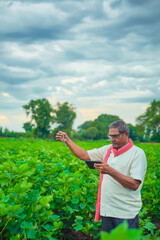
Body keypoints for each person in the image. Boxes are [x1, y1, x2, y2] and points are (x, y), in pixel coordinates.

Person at [56, 120, 147, 233]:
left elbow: (134, 185)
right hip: (107, 211)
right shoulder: (108, 150)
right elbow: (84, 155)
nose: (112, 139)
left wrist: (110, 171)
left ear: (126, 134)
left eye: (116, 136)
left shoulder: (137, 153)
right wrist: (68, 140)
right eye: (110, 136)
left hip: (125, 213)